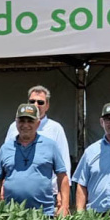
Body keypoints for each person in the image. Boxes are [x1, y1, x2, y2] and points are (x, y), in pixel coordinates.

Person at [0, 104, 69, 217]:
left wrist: (64, 206)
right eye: (22, 121)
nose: (25, 125)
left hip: (43, 215)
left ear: (38, 123)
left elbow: (62, 177)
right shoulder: (5, 148)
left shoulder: (50, 145)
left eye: (30, 121)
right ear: (16, 122)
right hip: (11, 214)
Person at [4, 85, 71, 213]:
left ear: (47, 106)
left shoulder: (55, 128)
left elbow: (64, 164)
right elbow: (6, 159)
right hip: (14, 197)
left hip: (46, 196)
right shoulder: (14, 127)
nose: (36, 104)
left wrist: (62, 194)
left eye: (40, 102)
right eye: (32, 101)